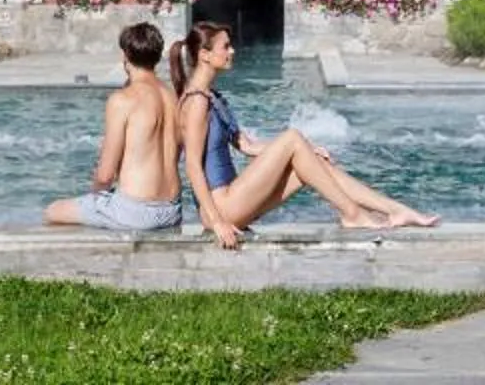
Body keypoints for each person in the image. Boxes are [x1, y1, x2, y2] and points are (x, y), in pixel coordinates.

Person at [170, 20, 436, 247]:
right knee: (293, 137)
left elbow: (248, 146)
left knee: (312, 161)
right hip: (222, 207)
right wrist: (216, 222)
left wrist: (306, 152)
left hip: (233, 200)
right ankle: (353, 214)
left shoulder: (211, 96)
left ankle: (394, 210)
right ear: (204, 54)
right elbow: (192, 166)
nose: (232, 51)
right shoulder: (196, 103)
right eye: (225, 46)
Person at [44, 20, 182, 233]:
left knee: (53, 211)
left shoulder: (123, 99)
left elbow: (105, 176)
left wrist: (96, 197)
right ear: (156, 56)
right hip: (172, 209)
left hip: (135, 212)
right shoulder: (172, 97)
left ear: (125, 56)